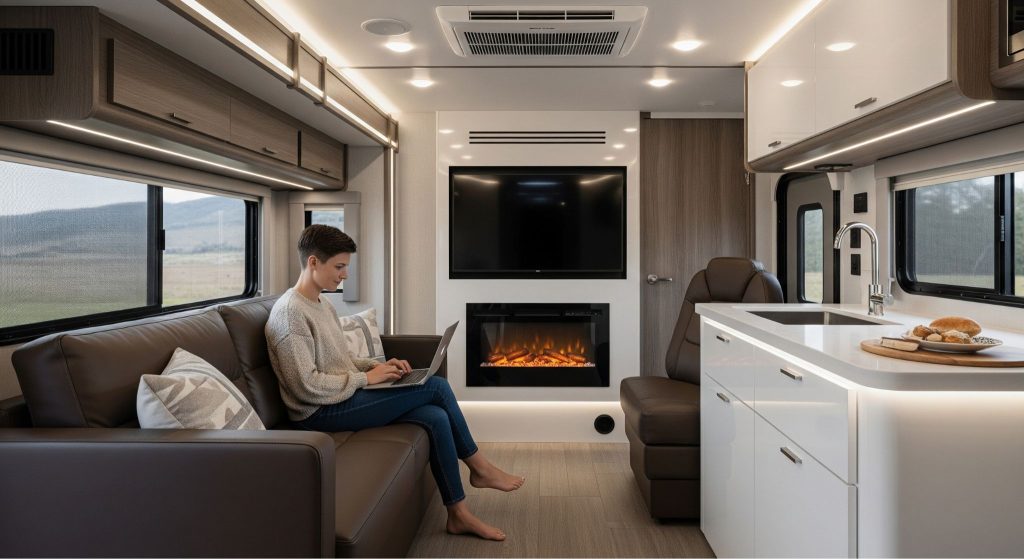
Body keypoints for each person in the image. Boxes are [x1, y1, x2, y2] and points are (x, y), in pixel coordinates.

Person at [265, 224, 523, 541]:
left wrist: (378, 366)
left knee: (436, 416)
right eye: (339, 266)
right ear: (314, 262)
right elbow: (306, 385)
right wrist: (366, 379)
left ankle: (458, 515)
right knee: (437, 387)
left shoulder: (322, 304)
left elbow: (339, 359)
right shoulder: (290, 314)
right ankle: (480, 468)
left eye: (346, 266)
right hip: (318, 413)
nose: (344, 275)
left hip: (339, 397)